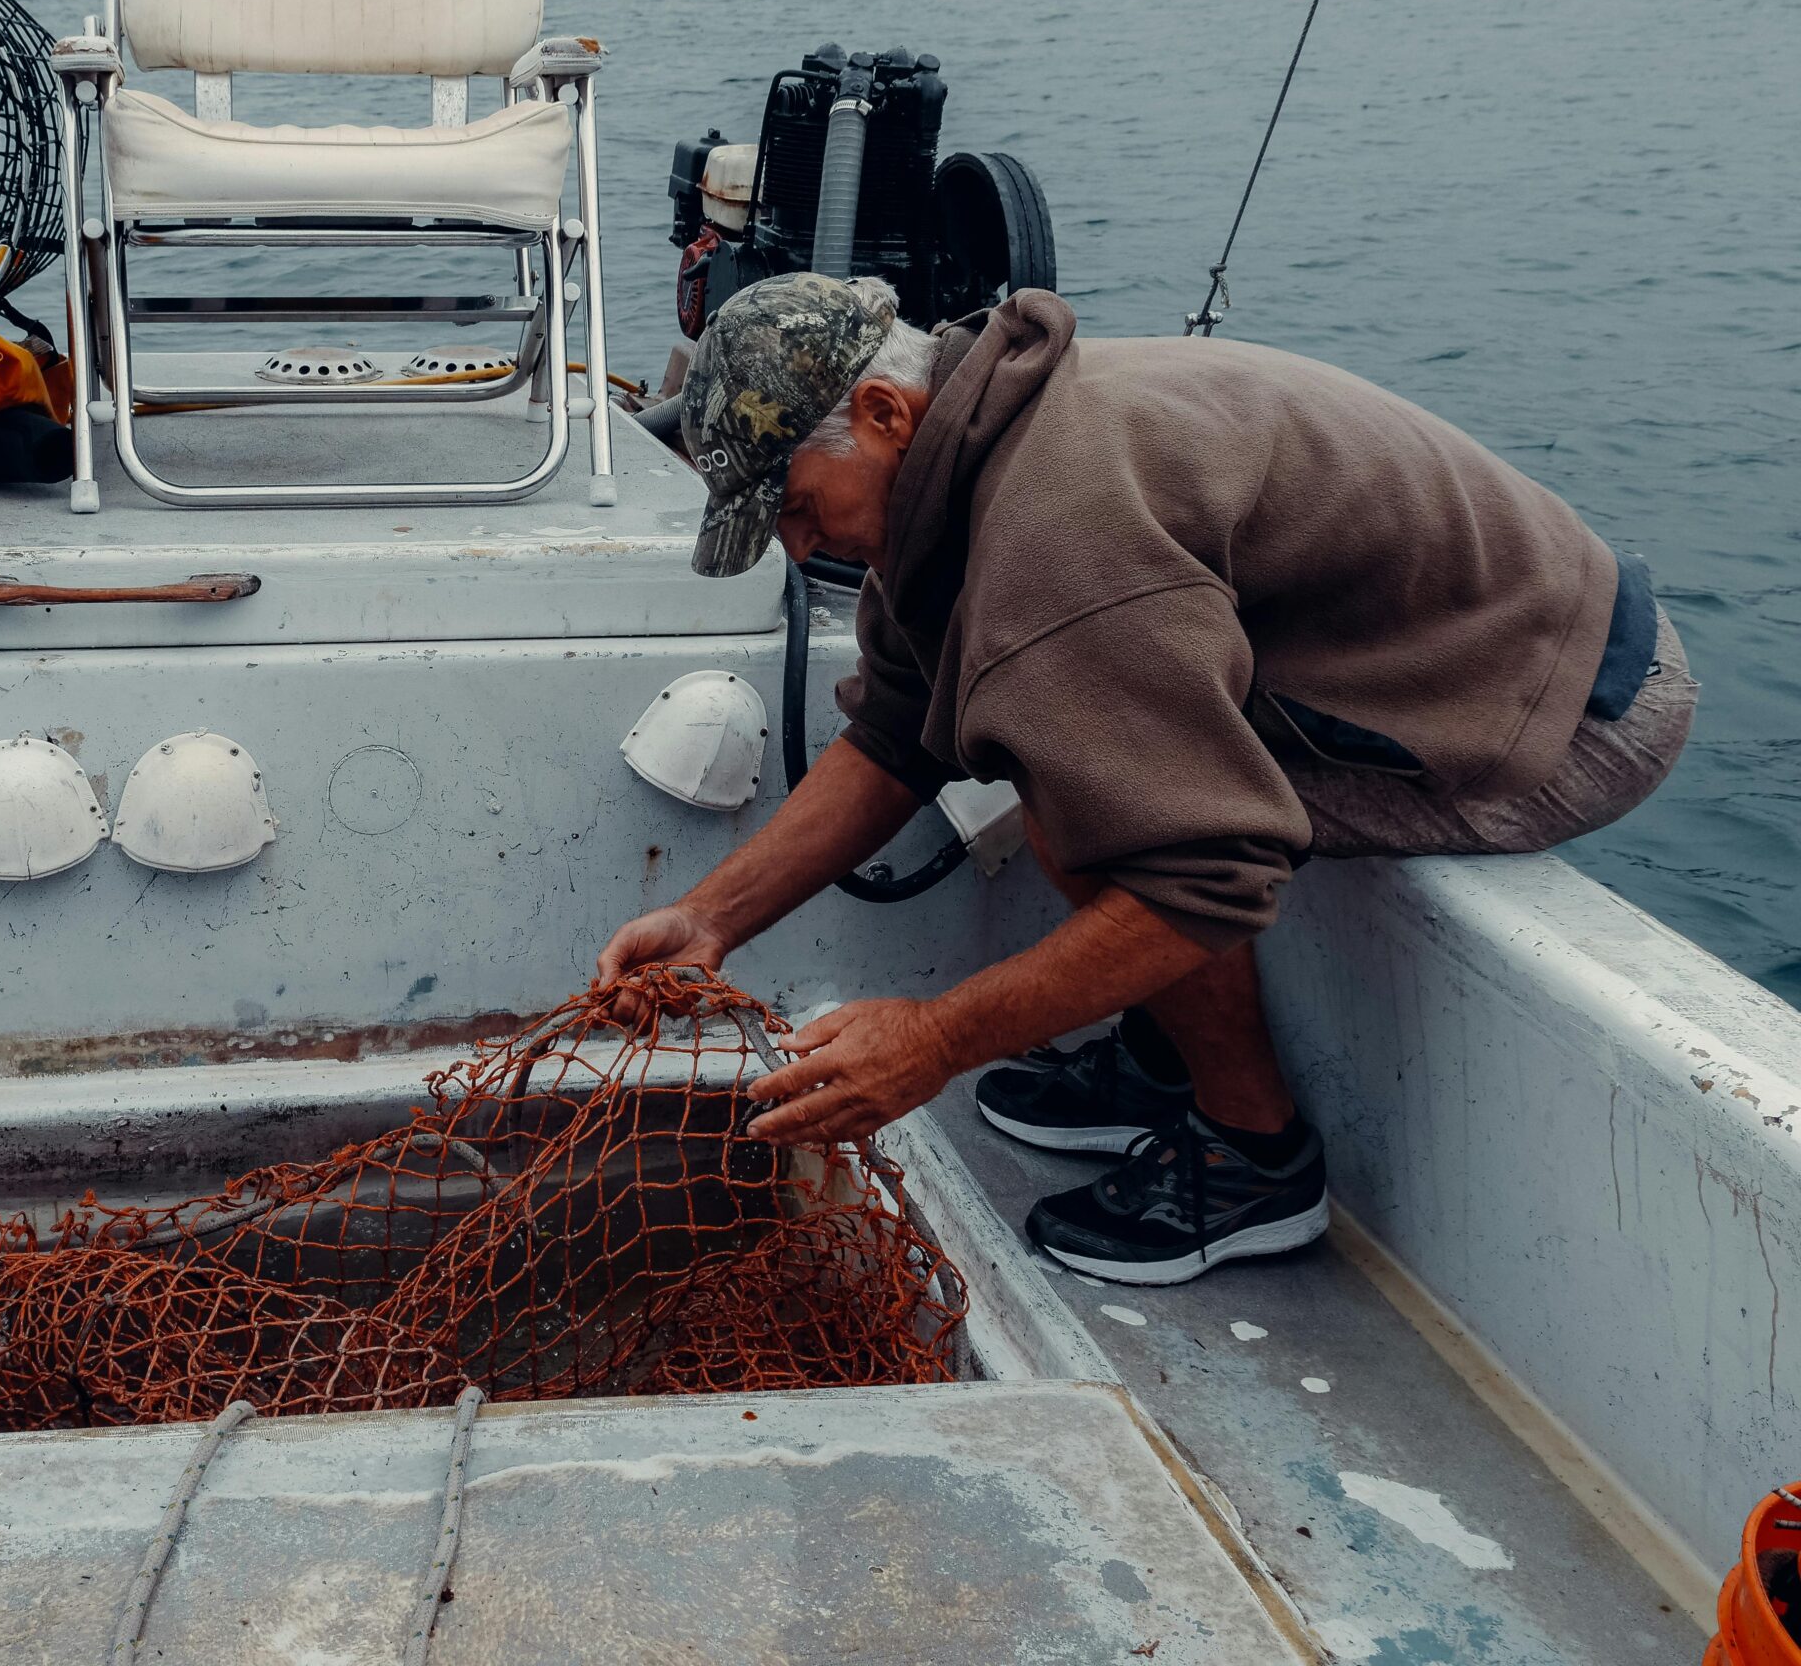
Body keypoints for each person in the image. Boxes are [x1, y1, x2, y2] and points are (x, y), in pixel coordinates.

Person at [598, 272, 1695, 1286]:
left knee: (1084, 784)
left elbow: (1202, 879)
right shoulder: (972, 447)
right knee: (1070, 734)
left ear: (886, 415)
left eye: (794, 506)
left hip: (1555, 710)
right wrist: (710, 916)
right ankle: (1162, 1056)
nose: (797, 549)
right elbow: (896, 734)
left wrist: (931, 1044)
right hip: (1474, 642)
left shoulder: (1059, 534)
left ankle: (1253, 1159)